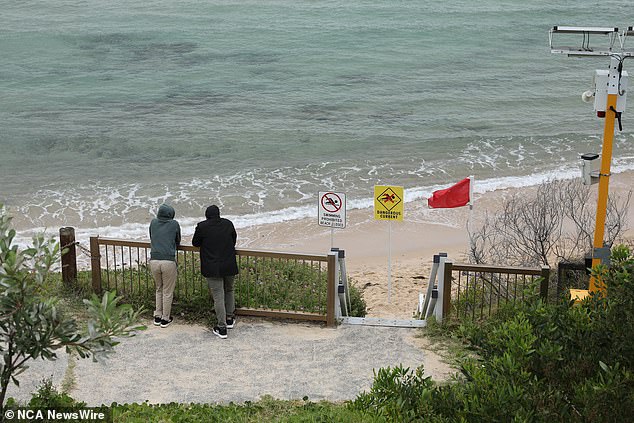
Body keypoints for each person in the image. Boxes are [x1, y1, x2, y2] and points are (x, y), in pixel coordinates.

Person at [192, 205, 238, 339]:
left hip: (212, 266)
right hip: (229, 264)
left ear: (206, 215)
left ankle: (222, 327)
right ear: (219, 214)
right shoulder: (228, 224)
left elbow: (195, 243)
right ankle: (229, 318)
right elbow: (233, 240)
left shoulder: (202, 227)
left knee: (218, 296)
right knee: (229, 290)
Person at [149, 203, 181, 328]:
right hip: (168, 261)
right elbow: (177, 240)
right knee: (168, 291)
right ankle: (165, 319)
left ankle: (157, 315)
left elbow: (152, 236)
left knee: (159, 288)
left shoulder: (153, 222)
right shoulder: (174, 224)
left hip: (154, 260)